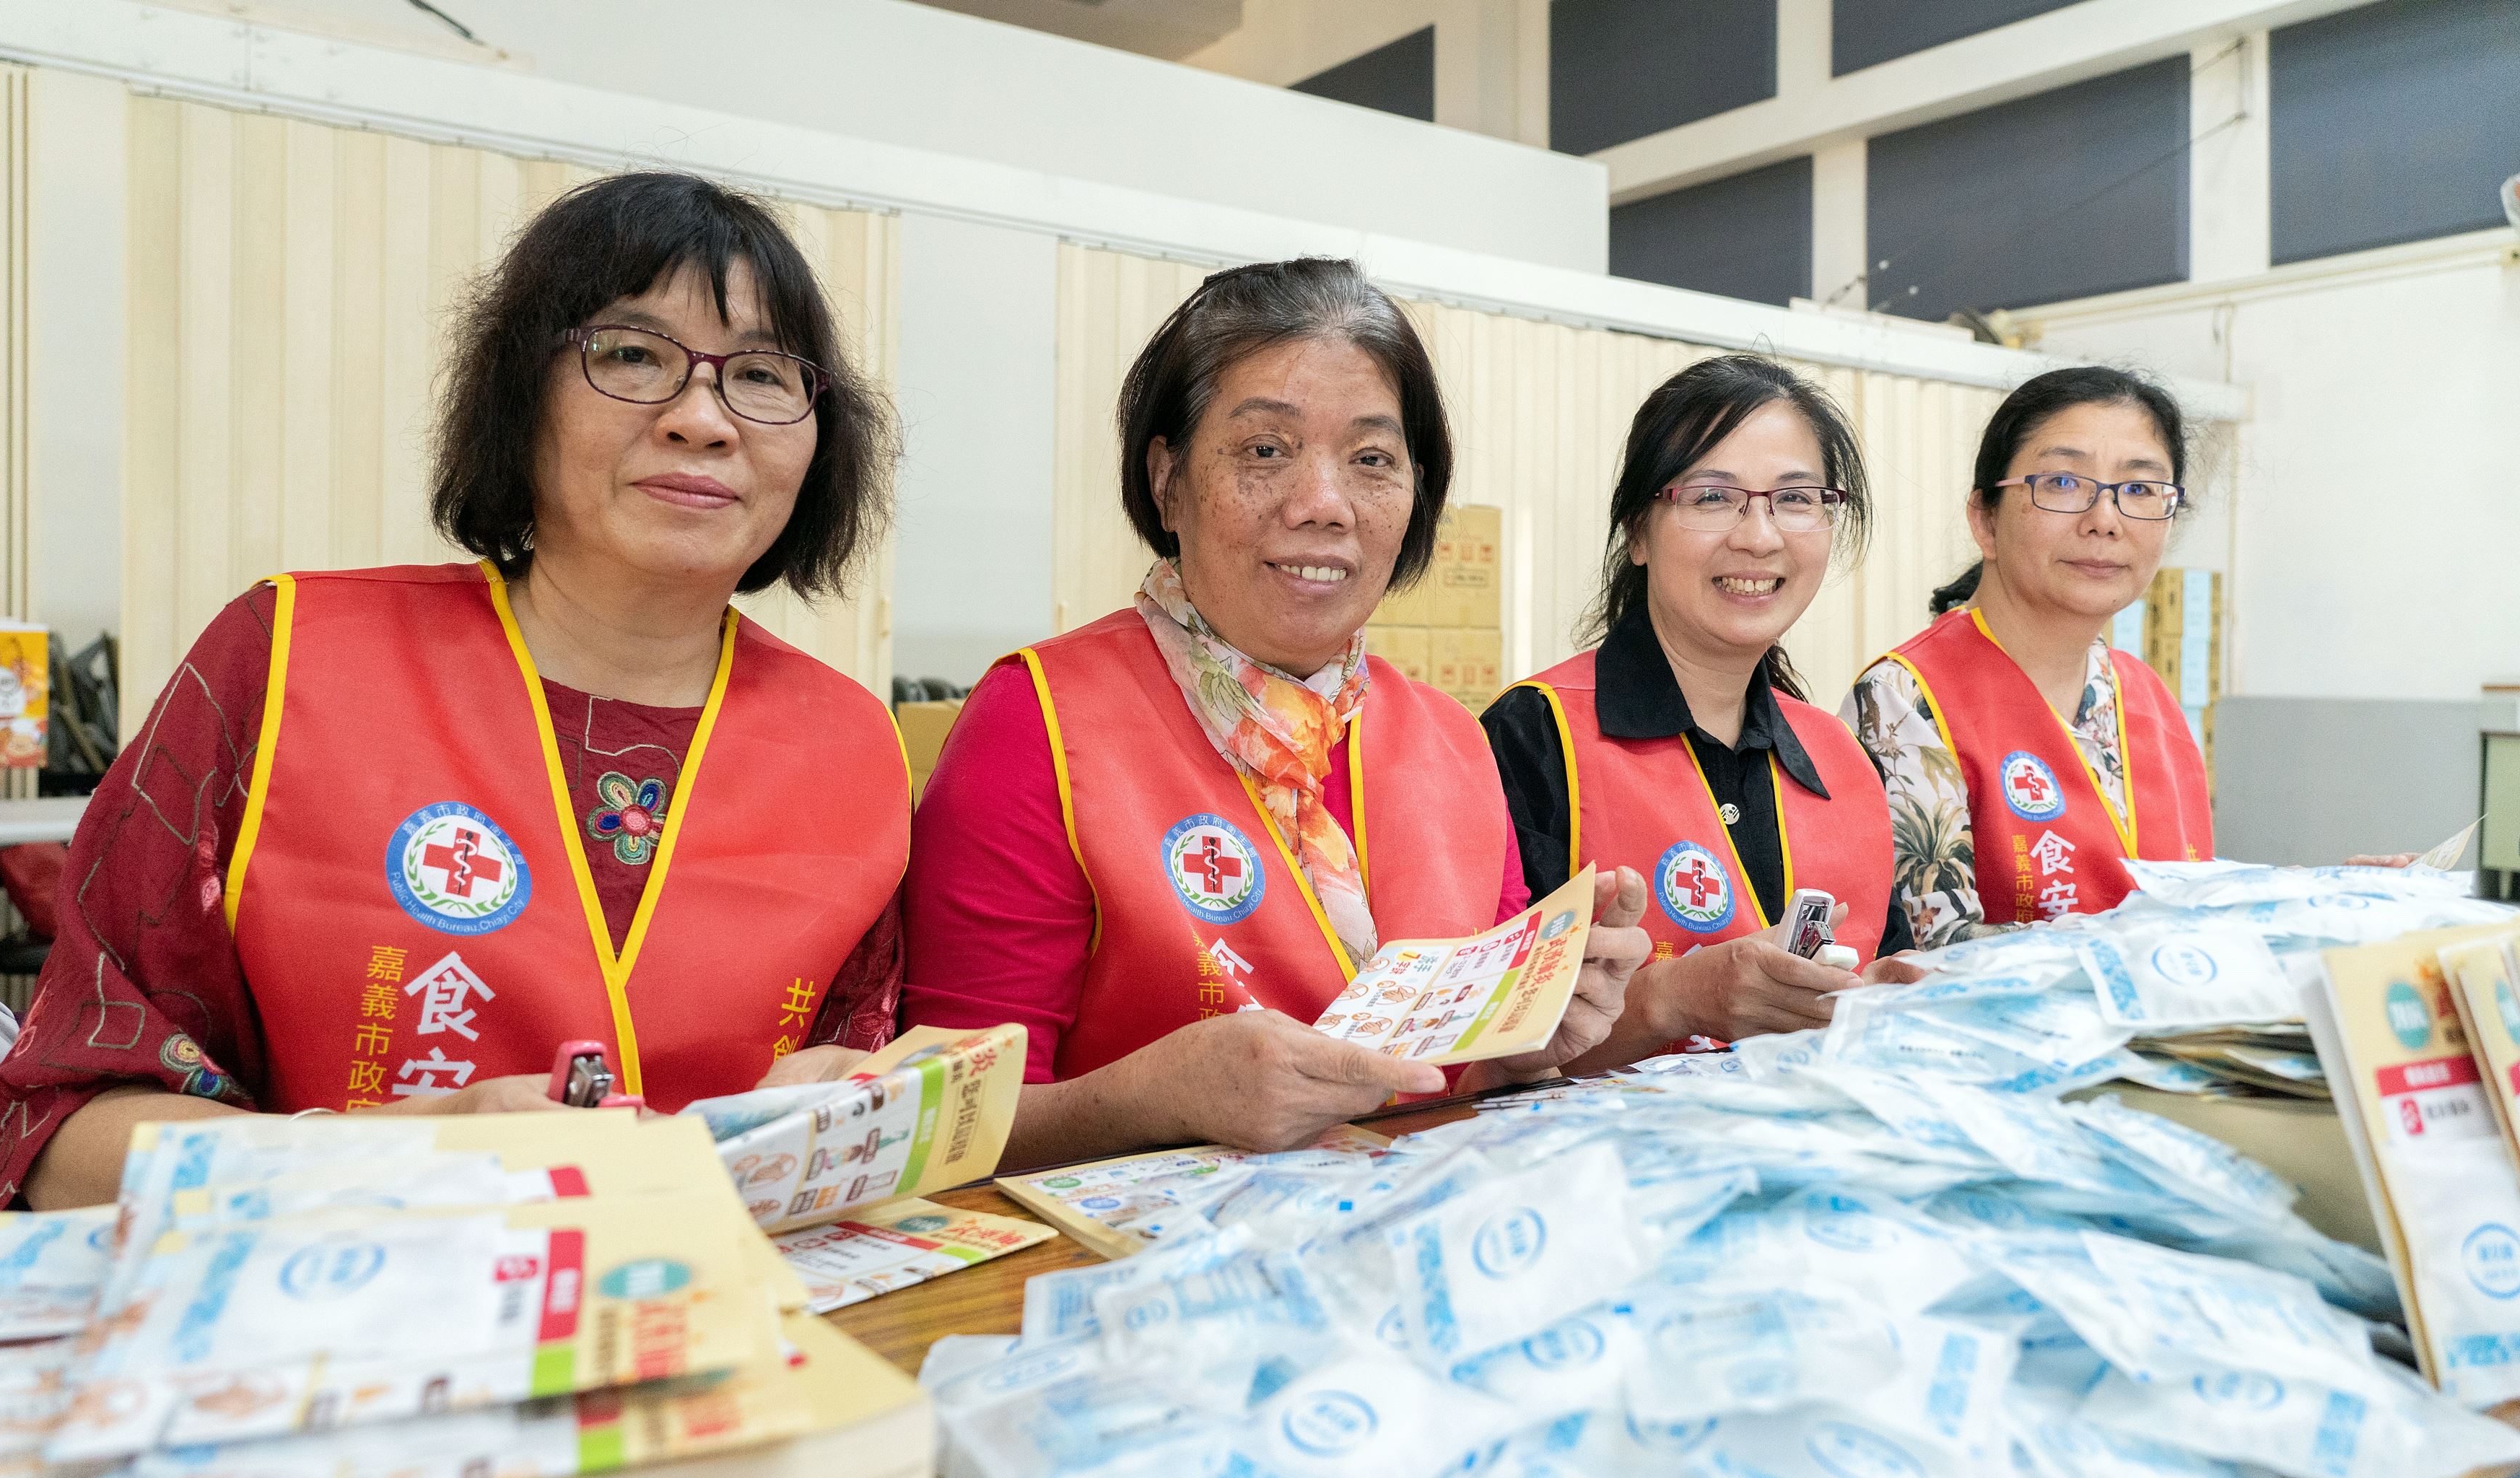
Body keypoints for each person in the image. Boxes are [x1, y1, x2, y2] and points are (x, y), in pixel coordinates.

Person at [0, 172, 910, 1210]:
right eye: (634, 355)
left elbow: (851, 1096)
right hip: (320, 1323)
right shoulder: (286, 655)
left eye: (761, 375)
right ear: (520, 396)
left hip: (714, 1329)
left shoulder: (852, 745)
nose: (703, 417)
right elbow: (62, 1146)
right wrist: (397, 1156)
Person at [902, 258, 1649, 1168]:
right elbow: (946, 1120)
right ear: (1168, 478)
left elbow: (1456, 1081)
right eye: (1265, 450)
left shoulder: (1451, 741)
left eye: (1372, 460)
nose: (1323, 505)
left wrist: (1533, 1040)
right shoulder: (1043, 721)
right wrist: (1155, 1097)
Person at [1485, 354, 1919, 1059]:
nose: (1759, 535)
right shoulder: (1534, 735)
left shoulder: (1843, 759)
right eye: (1712, 497)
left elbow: (1875, 972)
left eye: (1797, 498)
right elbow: (1477, 1052)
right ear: (1637, 531)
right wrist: (1673, 999)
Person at [1844, 365, 2210, 945]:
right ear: (1985, 520)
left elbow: (2198, 903)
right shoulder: (1906, 699)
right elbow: (1932, 957)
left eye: (2140, 489)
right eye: (2063, 483)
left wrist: (2330, 898)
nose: (2105, 521)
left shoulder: (2147, 696)